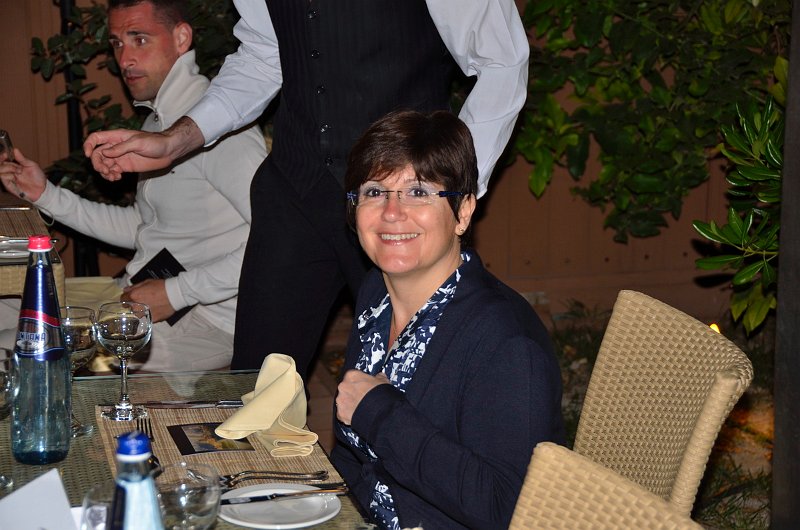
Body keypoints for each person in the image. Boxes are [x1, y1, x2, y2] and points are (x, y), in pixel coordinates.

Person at [81, 0, 530, 380]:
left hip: (396, 204)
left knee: (411, 381)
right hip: (294, 188)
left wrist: (445, 186)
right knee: (259, 382)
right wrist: (175, 141)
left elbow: (502, 61)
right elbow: (264, 55)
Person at [0, 0, 267, 372]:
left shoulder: (221, 130)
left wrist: (176, 293)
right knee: (8, 304)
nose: (124, 59)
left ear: (181, 38)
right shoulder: (158, 122)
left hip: (206, 322)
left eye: (140, 39)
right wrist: (46, 195)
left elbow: (275, 240)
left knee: (13, 349)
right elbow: (144, 228)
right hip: (142, 295)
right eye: (117, 43)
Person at [331, 110, 565, 529]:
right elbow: (352, 461)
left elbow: (508, 510)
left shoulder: (506, 343)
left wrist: (379, 414)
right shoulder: (375, 294)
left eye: (418, 192)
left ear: (463, 212)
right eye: (374, 191)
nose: (392, 212)